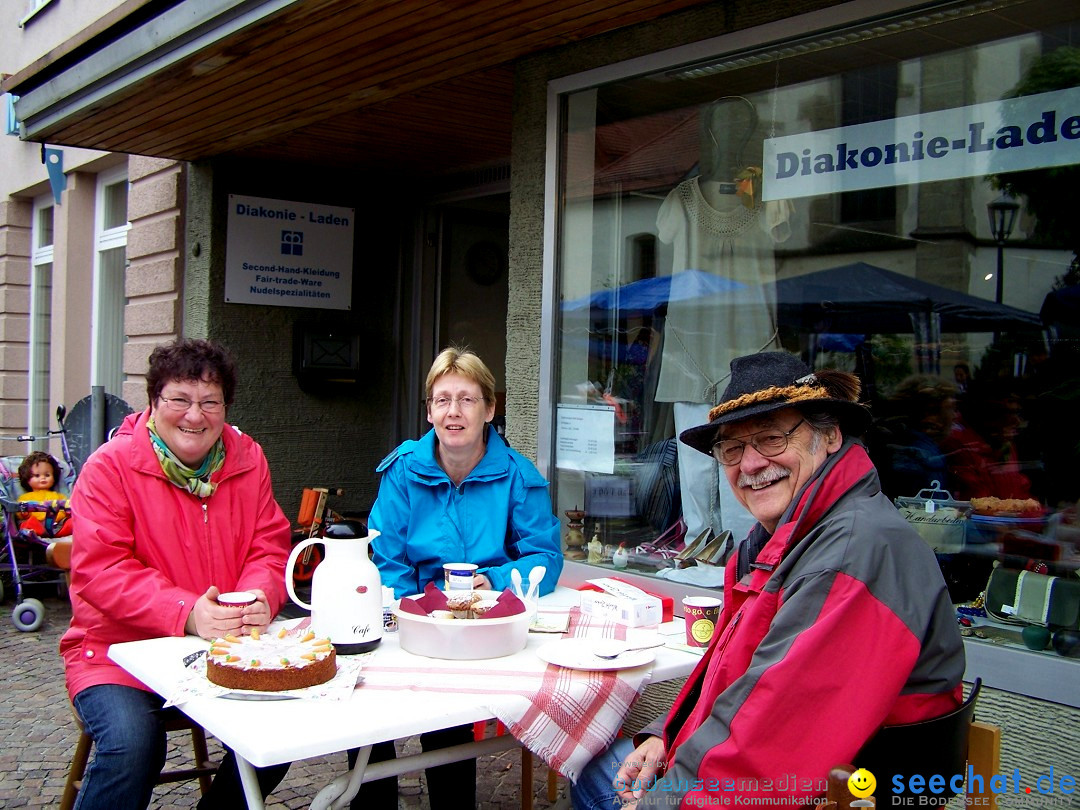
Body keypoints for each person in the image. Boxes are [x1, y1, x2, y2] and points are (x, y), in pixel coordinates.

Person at [572, 351, 965, 809]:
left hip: (835, 793)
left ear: (831, 436)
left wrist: (665, 802)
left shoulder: (850, 551)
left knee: (596, 781)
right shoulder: (776, 540)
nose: (751, 464)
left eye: (772, 438)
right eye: (732, 449)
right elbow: (732, 679)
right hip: (773, 776)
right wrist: (666, 734)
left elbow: (770, 747)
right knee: (595, 769)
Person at [60, 338, 293, 810]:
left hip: (225, 647)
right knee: (134, 746)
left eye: (211, 402)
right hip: (116, 652)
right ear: (153, 402)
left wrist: (256, 596)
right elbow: (100, 571)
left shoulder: (248, 459)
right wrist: (186, 612)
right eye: (180, 400)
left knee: (279, 738)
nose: (195, 415)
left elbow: (268, 544)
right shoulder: (110, 468)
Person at [352, 346, 563, 809]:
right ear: (429, 411)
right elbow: (386, 556)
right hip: (411, 614)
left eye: (467, 400)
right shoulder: (404, 471)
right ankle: (372, 800)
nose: (454, 412)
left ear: (489, 410)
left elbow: (545, 558)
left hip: (486, 626)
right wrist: (419, 612)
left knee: (444, 716)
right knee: (362, 694)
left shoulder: (517, 475)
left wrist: (493, 579)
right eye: (442, 400)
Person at [16, 450, 72, 536]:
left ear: (54, 477)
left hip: (57, 525)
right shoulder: (25, 497)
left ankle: (58, 533)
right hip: (37, 524)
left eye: (47, 475)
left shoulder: (59, 496)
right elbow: (18, 512)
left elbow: (68, 507)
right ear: (27, 478)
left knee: (73, 522)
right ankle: (37, 533)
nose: (43, 478)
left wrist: (68, 511)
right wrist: (24, 513)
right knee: (26, 524)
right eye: (37, 476)